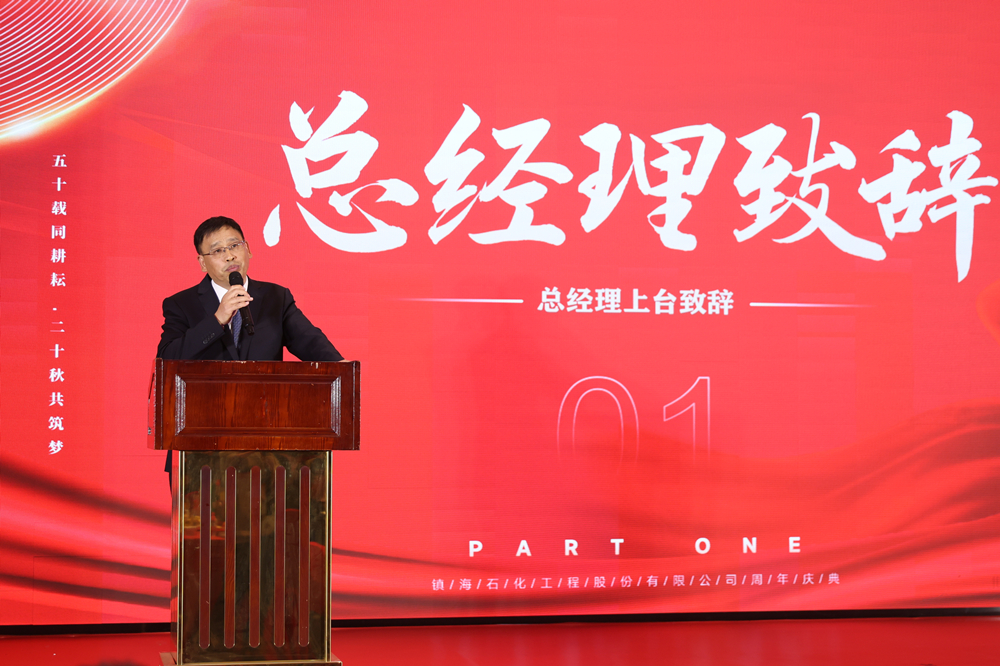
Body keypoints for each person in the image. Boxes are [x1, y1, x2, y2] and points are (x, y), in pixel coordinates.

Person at [158, 216, 343, 480]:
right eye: (218, 251)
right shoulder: (181, 304)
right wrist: (217, 319)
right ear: (202, 262)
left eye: (235, 245)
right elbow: (168, 359)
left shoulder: (275, 297)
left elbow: (310, 341)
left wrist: (342, 368)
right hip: (200, 445)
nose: (230, 255)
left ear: (248, 249)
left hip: (267, 448)